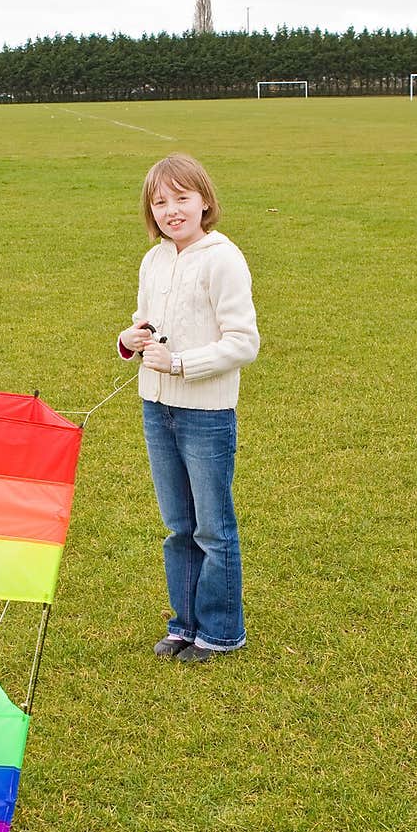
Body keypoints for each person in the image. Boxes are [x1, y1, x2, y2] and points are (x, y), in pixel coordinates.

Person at [117, 153, 260, 664]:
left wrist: (179, 364)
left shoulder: (223, 258)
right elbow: (145, 320)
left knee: (212, 528)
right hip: (157, 409)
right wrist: (130, 338)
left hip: (205, 413)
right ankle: (184, 625)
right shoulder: (154, 259)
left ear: (204, 202)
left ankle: (221, 633)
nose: (171, 210)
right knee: (179, 526)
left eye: (182, 198)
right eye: (160, 202)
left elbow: (244, 343)